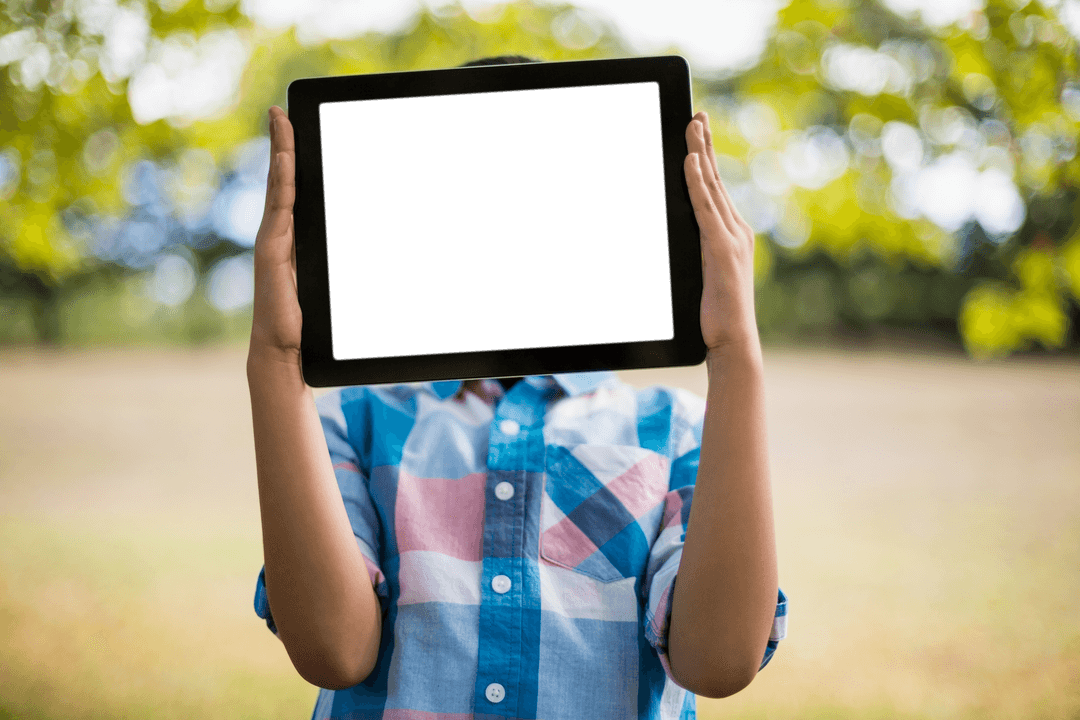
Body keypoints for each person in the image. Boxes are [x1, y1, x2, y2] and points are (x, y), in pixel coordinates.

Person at [248, 55, 787, 720]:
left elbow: (720, 660)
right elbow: (335, 652)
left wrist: (737, 355)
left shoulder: (677, 430)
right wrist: (275, 360)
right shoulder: (350, 424)